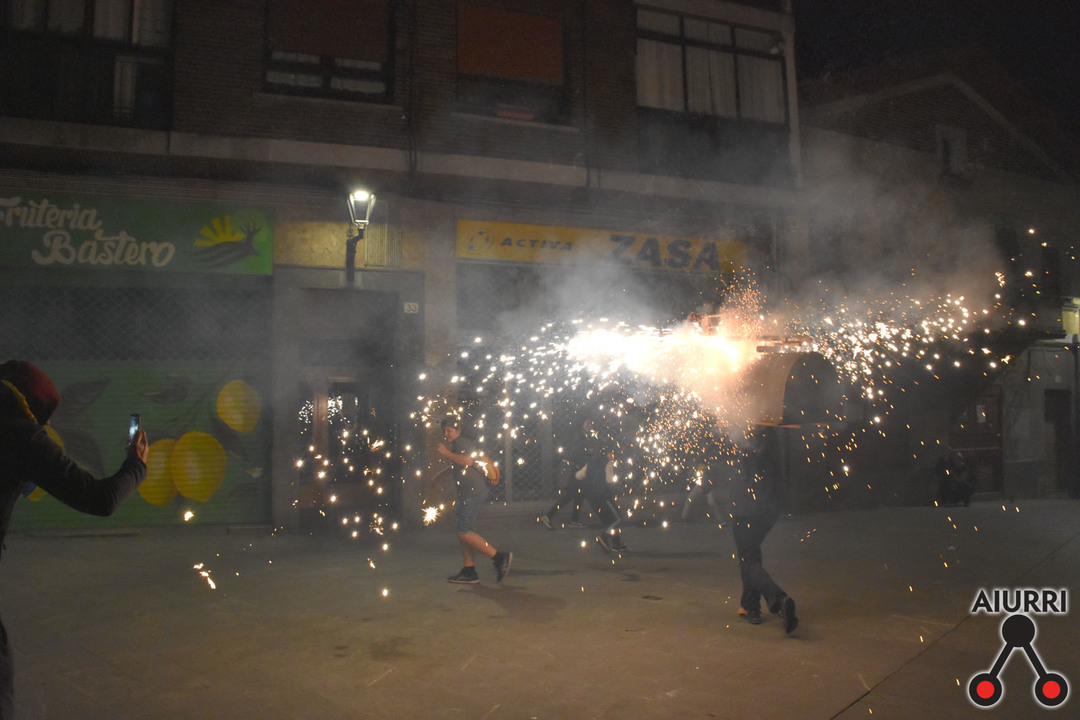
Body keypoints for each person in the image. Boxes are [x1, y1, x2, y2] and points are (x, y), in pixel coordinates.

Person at [0, 360, 149, 718]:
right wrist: (137, 465)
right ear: (29, 409)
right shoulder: (21, 434)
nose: (48, 426)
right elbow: (100, 499)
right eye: (45, 417)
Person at [728, 425, 797, 634]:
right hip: (770, 508)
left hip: (747, 508)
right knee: (751, 553)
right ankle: (749, 606)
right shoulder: (774, 434)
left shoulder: (746, 431)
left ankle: (778, 599)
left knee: (748, 559)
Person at [432, 417, 511, 584]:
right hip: (467, 493)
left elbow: (467, 461)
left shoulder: (461, 442)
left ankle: (499, 558)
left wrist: (446, 453)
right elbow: (458, 464)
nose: (446, 434)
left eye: (449, 431)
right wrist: (439, 476)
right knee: (462, 531)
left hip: (473, 493)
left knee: (464, 531)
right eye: (444, 431)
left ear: (458, 430)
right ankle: (469, 571)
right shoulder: (459, 443)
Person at [571, 418, 627, 554]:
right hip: (602, 495)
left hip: (591, 498)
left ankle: (616, 543)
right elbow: (609, 480)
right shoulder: (607, 463)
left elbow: (578, 475)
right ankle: (606, 537)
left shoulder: (591, 462)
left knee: (608, 520)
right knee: (617, 518)